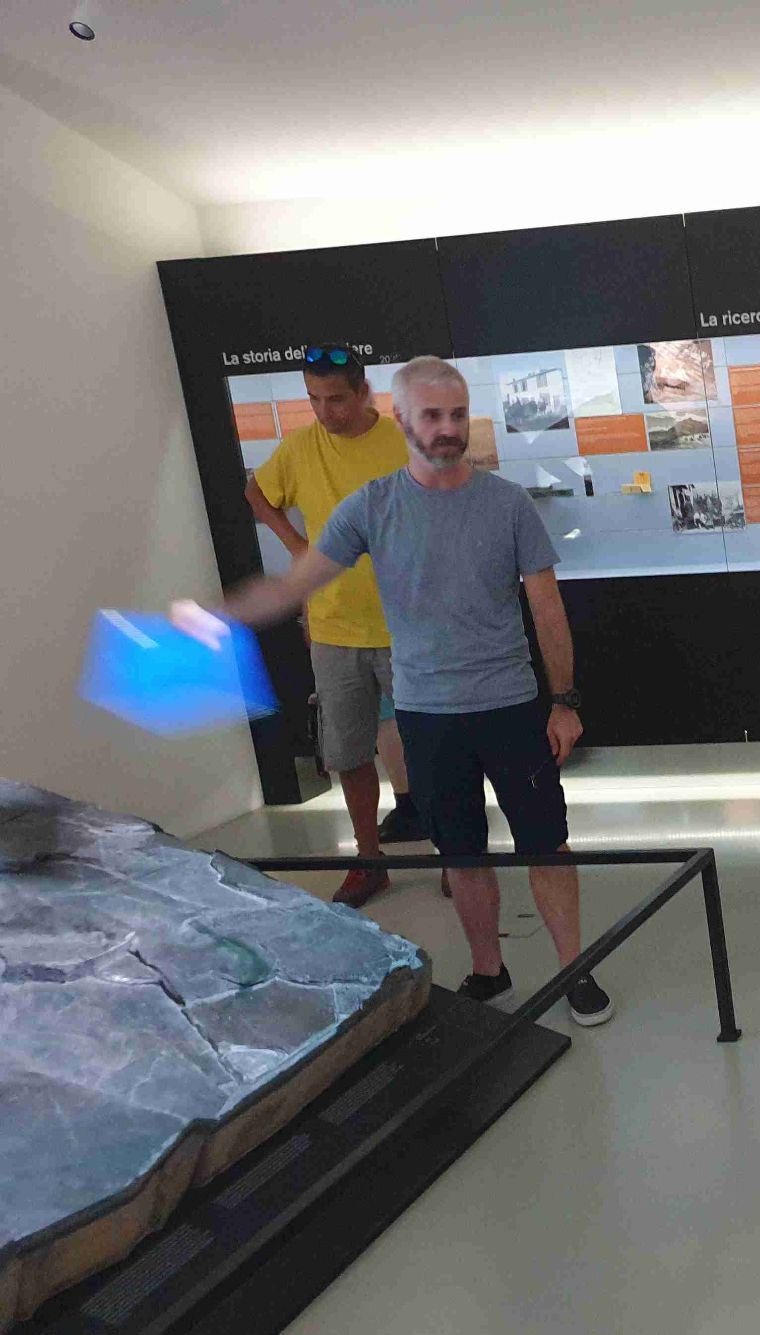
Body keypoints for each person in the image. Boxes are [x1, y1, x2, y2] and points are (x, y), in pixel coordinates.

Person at [177, 357, 612, 1026]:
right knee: (461, 852)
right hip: (427, 714)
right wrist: (217, 616)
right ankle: (489, 970)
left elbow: (547, 608)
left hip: (508, 706)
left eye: (457, 414)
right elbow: (295, 584)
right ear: (403, 419)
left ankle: (575, 970)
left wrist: (565, 701)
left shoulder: (507, 504)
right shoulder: (372, 506)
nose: (447, 428)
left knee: (546, 844)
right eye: (432, 416)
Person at [245, 343, 426, 907]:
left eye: (336, 399)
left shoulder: (403, 441)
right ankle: (369, 862)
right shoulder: (301, 447)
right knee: (348, 754)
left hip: (409, 626)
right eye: (314, 399)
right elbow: (256, 492)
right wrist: (297, 545)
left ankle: (456, 857)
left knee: (434, 748)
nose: (326, 412)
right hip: (333, 628)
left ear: (363, 392)